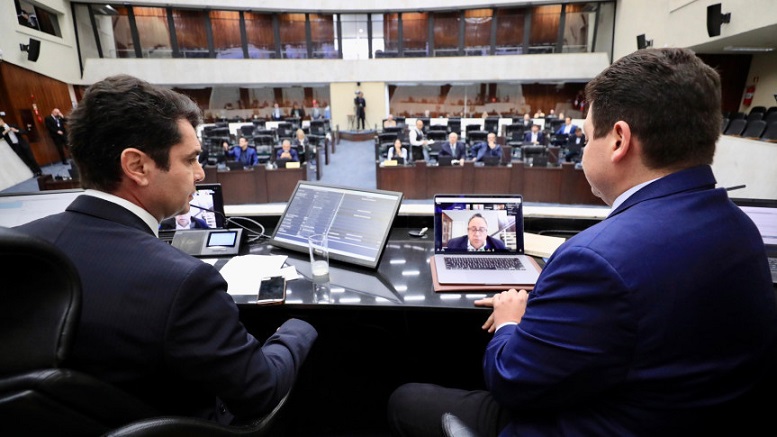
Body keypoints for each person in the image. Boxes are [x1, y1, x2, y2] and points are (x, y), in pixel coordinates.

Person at [388, 47, 777, 436]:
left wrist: (509, 322)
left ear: (619, 140)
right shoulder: (742, 229)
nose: (583, 149)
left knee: (406, 400)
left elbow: (511, 382)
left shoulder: (597, 260)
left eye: (588, 137)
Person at [13, 74, 317, 425]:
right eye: (190, 160)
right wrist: (298, 328)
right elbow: (260, 391)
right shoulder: (183, 282)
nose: (200, 174)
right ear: (137, 166)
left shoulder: (19, 250)